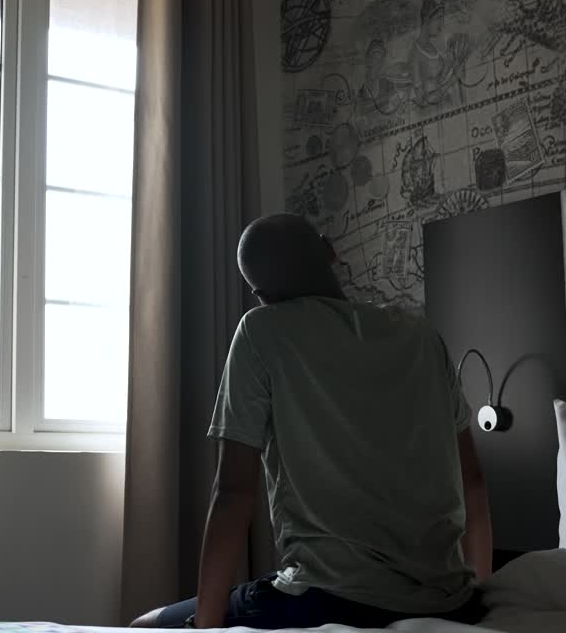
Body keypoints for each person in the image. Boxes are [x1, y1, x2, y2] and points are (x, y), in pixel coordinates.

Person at [131, 214, 492, 629]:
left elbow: (232, 493)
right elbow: (474, 483)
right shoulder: (422, 337)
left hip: (330, 598)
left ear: (261, 295)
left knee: (144, 626)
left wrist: (205, 625)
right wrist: (477, 602)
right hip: (448, 600)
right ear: (330, 250)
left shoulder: (260, 331)